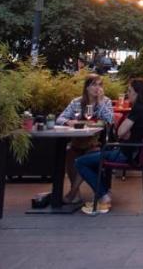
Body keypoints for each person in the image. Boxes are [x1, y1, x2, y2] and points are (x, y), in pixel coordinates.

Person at [76, 79, 143, 215]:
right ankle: (104, 192)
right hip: (138, 153)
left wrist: (123, 131)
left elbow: (120, 132)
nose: (127, 94)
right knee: (96, 156)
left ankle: (103, 196)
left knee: (80, 162)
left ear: (137, 93)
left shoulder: (138, 109)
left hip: (127, 154)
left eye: (130, 91)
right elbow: (126, 133)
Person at [55, 74, 114, 203]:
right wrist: (68, 122)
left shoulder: (106, 102)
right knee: (70, 154)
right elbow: (60, 118)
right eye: (94, 85)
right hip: (77, 141)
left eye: (100, 85)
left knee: (86, 158)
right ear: (87, 87)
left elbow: (110, 120)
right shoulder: (76, 102)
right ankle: (75, 193)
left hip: (97, 142)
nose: (97, 88)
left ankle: (73, 192)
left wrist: (100, 101)